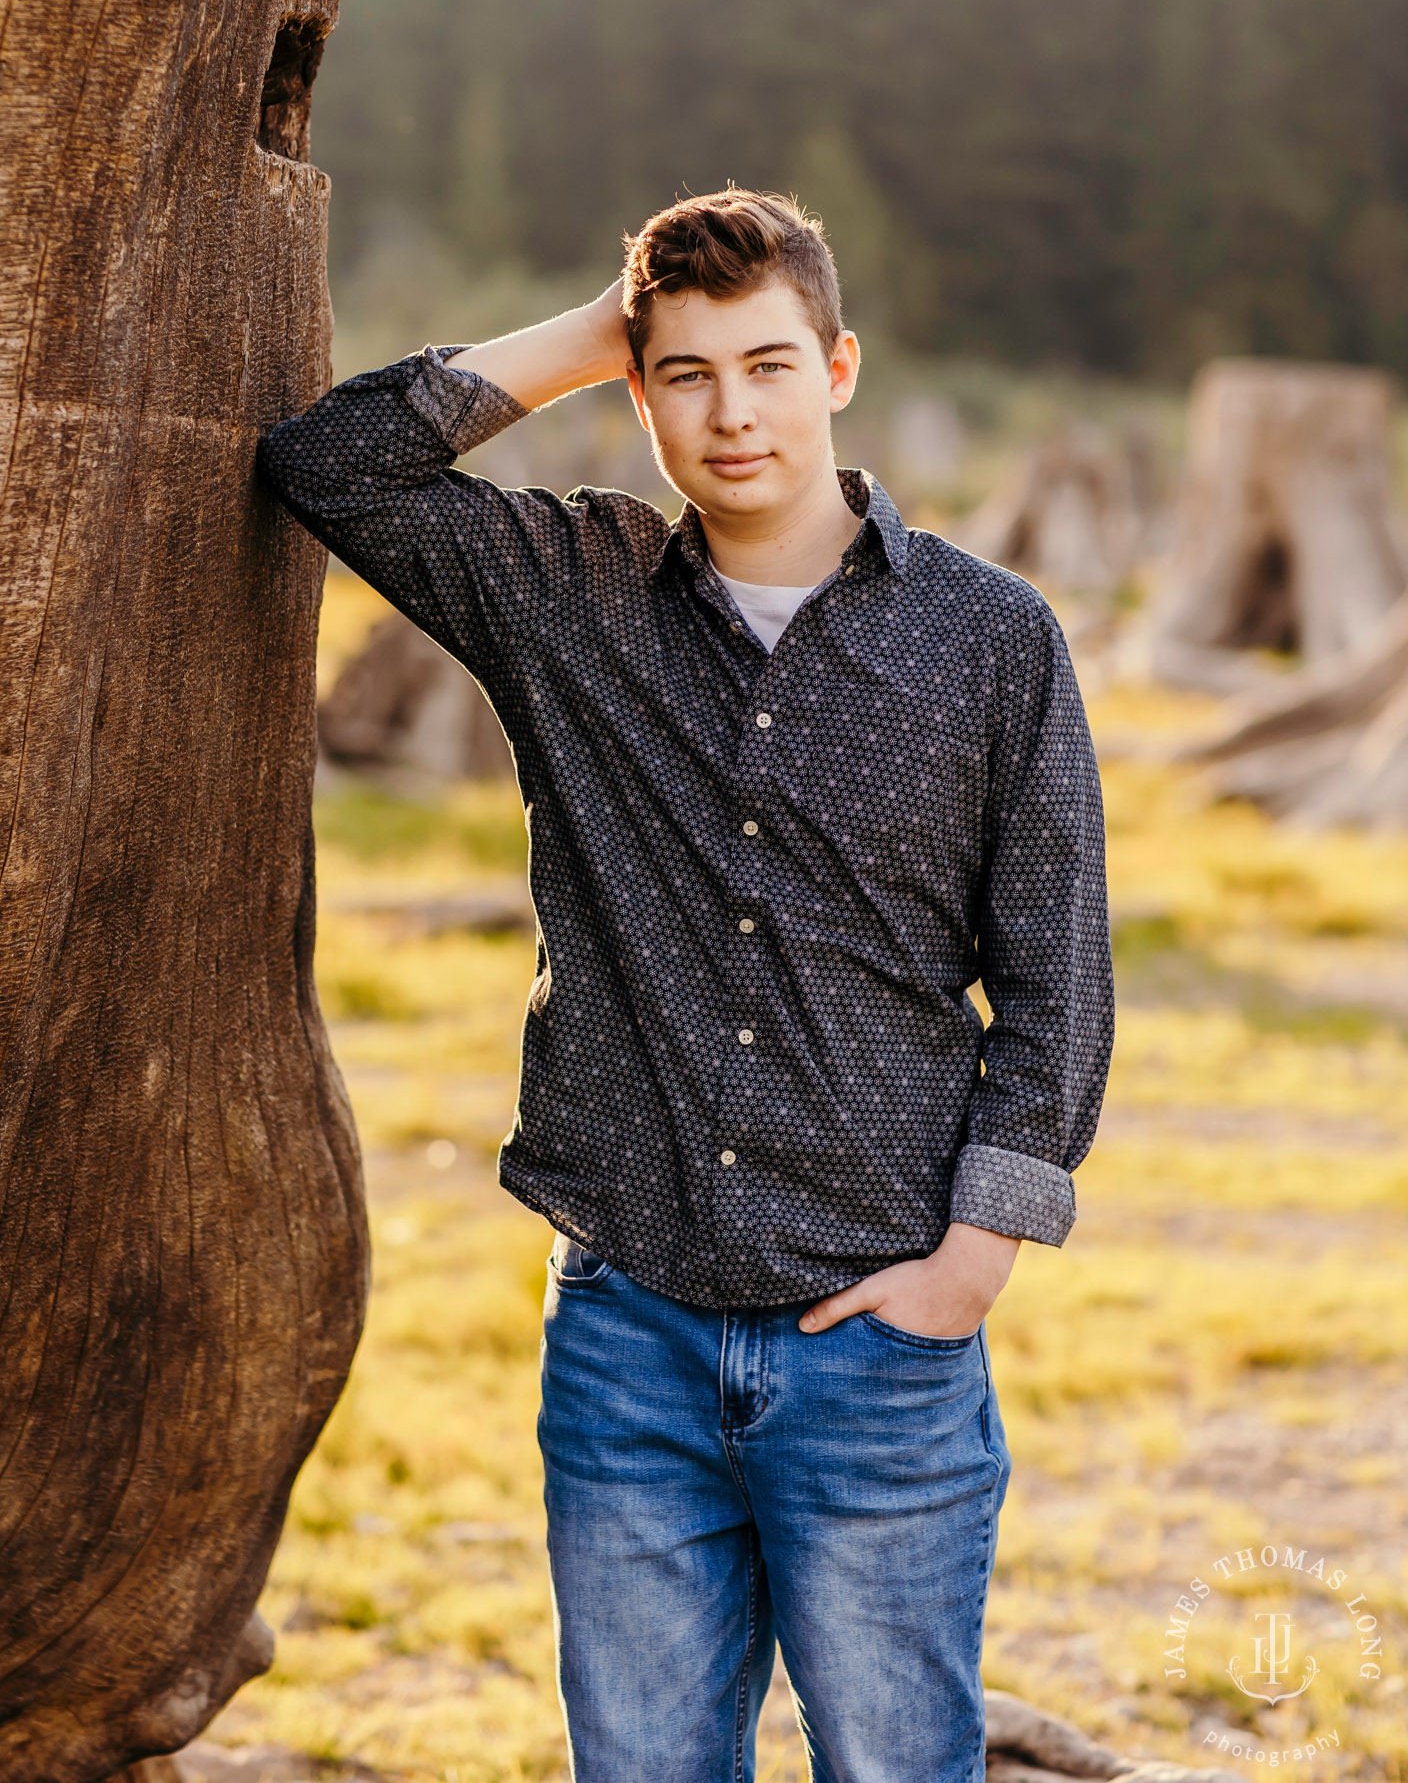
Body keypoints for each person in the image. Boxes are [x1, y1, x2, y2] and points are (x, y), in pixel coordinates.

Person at [257, 187, 1113, 1783]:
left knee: (894, 1767)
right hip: (625, 1336)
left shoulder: (993, 640)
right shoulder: (563, 593)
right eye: (690, 374)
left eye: (771, 364)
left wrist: (972, 1265)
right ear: (640, 394)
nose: (735, 413)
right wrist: (595, 332)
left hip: (879, 1342)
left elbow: (1058, 973)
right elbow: (326, 463)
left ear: (839, 368)